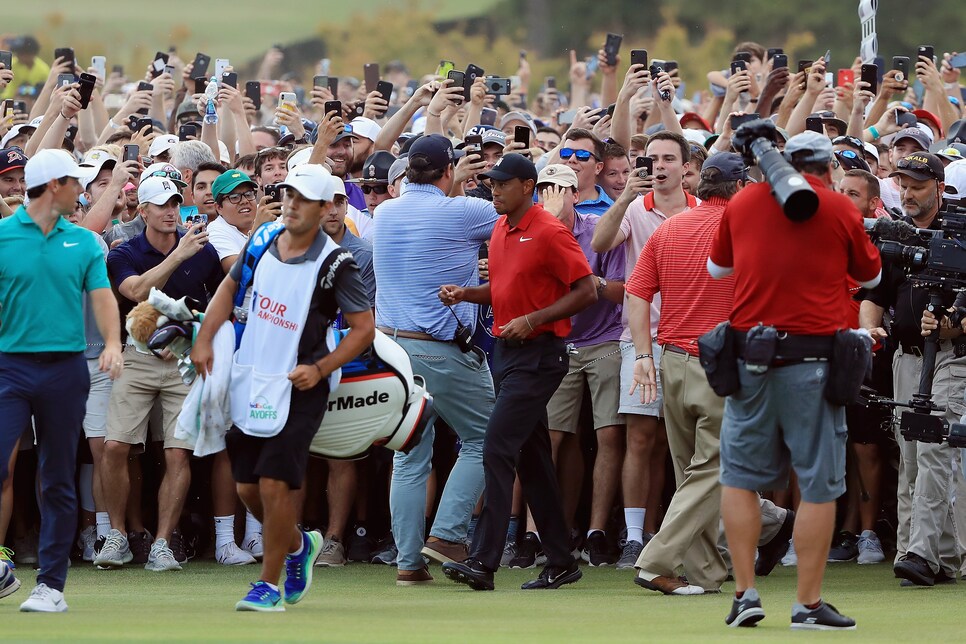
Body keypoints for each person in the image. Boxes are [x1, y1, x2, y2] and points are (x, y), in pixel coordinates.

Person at [709, 131, 881, 629]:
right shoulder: (839, 208)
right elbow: (869, 277)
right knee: (819, 484)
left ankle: (745, 594)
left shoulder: (742, 202)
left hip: (751, 361)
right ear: (827, 168)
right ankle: (806, 604)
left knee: (739, 478)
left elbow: (718, 269)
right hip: (814, 363)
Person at [191, 162, 374, 611]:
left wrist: (321, 368)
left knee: (274, 486)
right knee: (247, 489)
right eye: (288, 194)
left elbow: (363, 329)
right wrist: (203, 340)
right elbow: (229, 291)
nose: (291, 204)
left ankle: (267, 586)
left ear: (326, 206)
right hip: (251, 378)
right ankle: (297, 545)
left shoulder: (338, 264)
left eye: (303, 198)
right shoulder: (262, 238)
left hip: (303, 385)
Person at [440, 153, 597, 591]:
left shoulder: (550, 231)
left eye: (502, 183)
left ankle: (484, 560)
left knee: (496, 445)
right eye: (491, 183)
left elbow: (586, 290)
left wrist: (534, 319)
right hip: (508, 355)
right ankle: (562, 561)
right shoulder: (500, 227)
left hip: (540, 355)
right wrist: (467, 293)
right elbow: (507, 287)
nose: (493, 189)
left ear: (528, 186)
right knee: (534, 461)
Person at [0, 149, 123, 611]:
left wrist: (112, 343)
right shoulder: (2, 237)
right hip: (9, 365)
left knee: (56, 478)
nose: (83, 191)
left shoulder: (86, 243)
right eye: (76, 182)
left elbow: (103, 296)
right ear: (55, 185)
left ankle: (50, 586)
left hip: (65, 369)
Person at [372, 134, 496, 586]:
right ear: (449, 170)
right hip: (442, 349)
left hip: (391, 350)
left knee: (409, 457)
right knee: (488, 438)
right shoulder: (466, 210)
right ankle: (446, 535)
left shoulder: (383, 212)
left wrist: (454, 184)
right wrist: (464, 187)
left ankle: (408, 563)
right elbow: (512, 214)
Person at [625, 153, 746, 595]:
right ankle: (655, 561)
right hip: (721, 366)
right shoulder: (744, 230)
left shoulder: (670, 227)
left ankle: (706, 572)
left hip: (670, 360)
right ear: (736, 188)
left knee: (691, 473)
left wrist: (642, 355)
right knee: (712, 470)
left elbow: (637, 294)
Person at [96, 176, 224, 572]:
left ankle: (163, 543)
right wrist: (178, 256)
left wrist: (190, 333)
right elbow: (134, 291)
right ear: (143, 211)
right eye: (161, 205)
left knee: (176, 452)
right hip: (135, 359)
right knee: (116, 446)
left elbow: (222, 303)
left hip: (184, 362)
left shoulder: (204, 250)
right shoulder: (125, 252)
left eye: (175, 203)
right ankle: (117, 536)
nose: (171, 212)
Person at [591, 130, 697, 568]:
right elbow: (599, 244)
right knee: (639, 437)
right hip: (640, 338)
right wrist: (623, 200)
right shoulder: (635, 207)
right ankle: (635, 537)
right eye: (651, 158)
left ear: (685, 166)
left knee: (681, 443)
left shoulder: (702, 211)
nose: (658, 166)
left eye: (668, 158)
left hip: (689, 338)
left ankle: (669, 533)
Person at [861, 153, 965, 586]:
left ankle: (924, 554)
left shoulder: (960, 237)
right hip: (905, 357)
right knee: (910, 459)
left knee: (935, 448)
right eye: (902, 184)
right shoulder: (897, 242)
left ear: (939, 188)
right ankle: (919, 554)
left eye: (917, 185)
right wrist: (868, 330)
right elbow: (873, 299)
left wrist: (951, 324)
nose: (907, 193)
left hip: (953, 358)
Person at [535, 164, 626, 567]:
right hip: (558, 340)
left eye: (559, 189)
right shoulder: (533, 229)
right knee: (551, 439)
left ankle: (596, 531)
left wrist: (587, 278)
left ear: (577, 194)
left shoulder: (599, 229)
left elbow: (620, 292)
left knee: (609, 436)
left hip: (604, 340)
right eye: (543, 190)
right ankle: (537, 533)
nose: (550, 196)